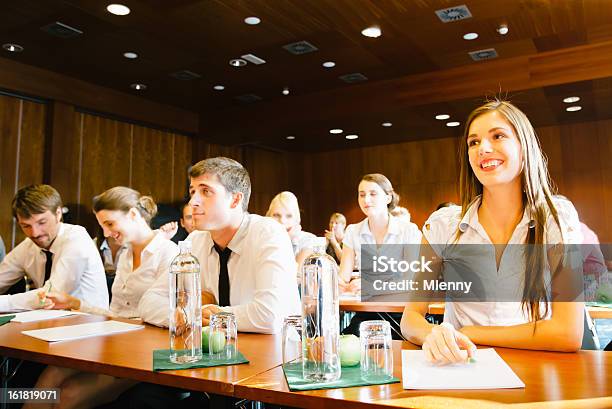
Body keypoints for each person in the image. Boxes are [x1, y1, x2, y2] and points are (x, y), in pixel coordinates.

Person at [401, 100, 584, 364]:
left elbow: (568, 333)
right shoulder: (442, 225)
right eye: (473, 142)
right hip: (463, 366)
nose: (483, 149)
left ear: (524, 147)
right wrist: (434, 334)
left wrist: (471, 333)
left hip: (537, 370)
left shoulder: (557, 218)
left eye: (498, 136)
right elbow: (411, 319)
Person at [28, 187, 179, 409]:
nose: (106, 234)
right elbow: (116, 315)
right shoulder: (126, 255)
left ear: (134, 215)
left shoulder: (170, 254)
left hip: (144, 353)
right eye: (102, 227)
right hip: (113, 344)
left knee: (67, 396)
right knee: (48, 379)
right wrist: (74, 303)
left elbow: (167, 318)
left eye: (110, 224)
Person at [140, 157, 301, 333]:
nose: (193, 202)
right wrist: (183, 315)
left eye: (206, 191)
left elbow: (270, 315)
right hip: (217, 352)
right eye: (192, 192)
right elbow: (149, 301)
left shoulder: (269, 233)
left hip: (277, 354)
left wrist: (213, 315)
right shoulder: (195, 240)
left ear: (235, 200)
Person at [0, 184, 108, 312]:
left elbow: (51, 295)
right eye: (26, 226)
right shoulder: (28, 246)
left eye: (42, 222)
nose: (35, 233)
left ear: (58, 213)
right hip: (48, 323)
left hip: (91, 323)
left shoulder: (77, 238)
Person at [339, 174, 422, 338]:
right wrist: (340, 285)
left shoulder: (409, 230)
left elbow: (410, 280)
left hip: (403, 314)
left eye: (373, 193)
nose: (366, 199)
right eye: (361, 194)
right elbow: (343, 278)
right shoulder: (352, 231)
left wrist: (371, 287)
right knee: (347, 341)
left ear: (388, 197)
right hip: (366, 313)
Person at [266, 191, 316, 270]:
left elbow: (294, 276)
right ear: (268, 217)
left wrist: (285, 241)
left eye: (289, 216)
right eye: (276, 215)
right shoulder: (261, 240)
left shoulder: (308, 240)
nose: (282, 221)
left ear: (296, 219)